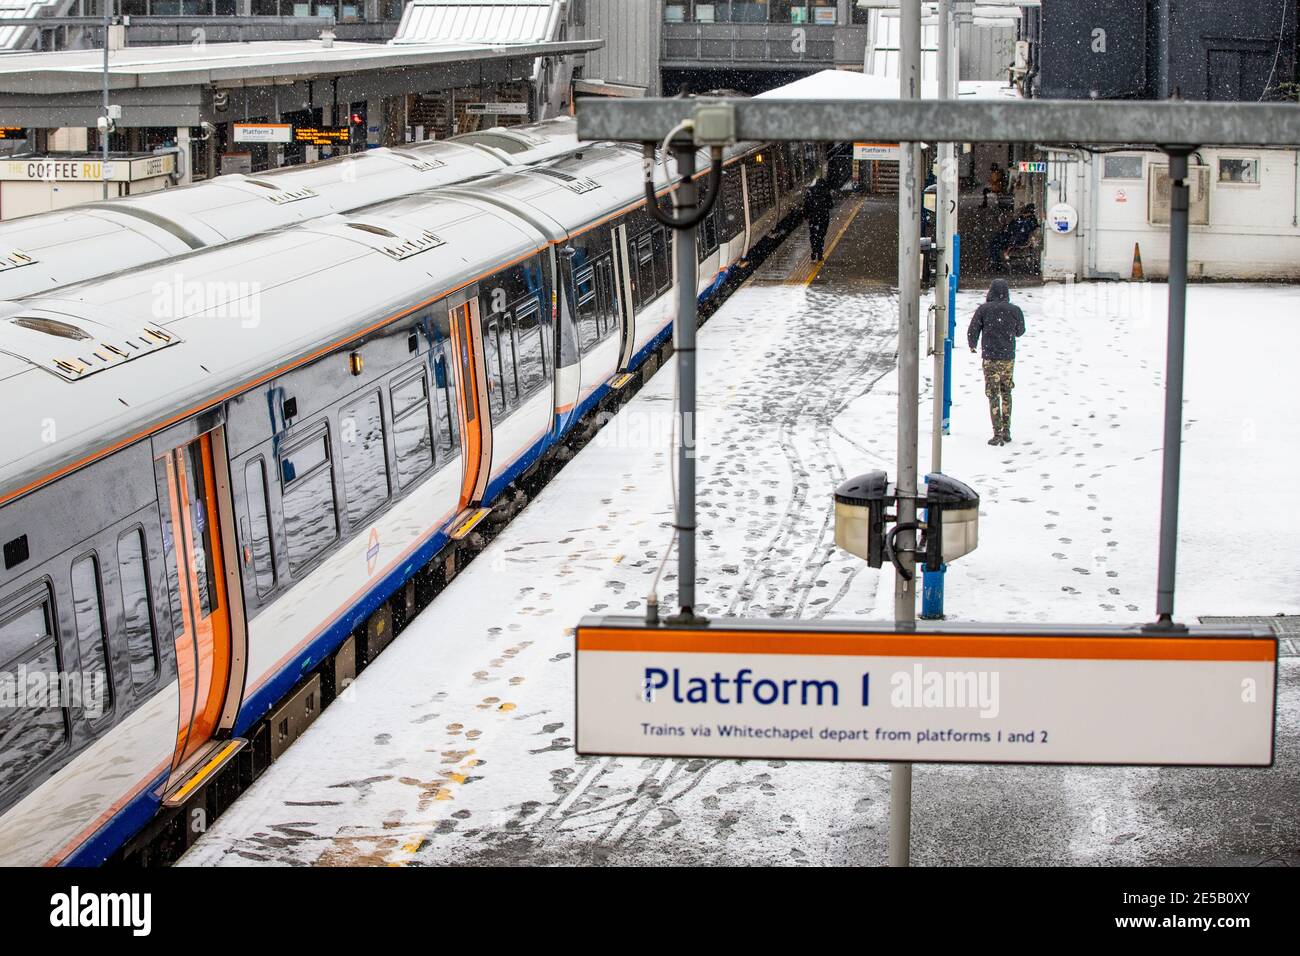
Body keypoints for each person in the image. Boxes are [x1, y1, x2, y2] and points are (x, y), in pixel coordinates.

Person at [968, 278, 1026, 446]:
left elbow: (973, 329)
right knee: (1006, 392)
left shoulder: (983, 309)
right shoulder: (1014, 310)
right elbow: (1020, 331)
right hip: (1008, 357)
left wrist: (972, 345)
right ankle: (1007, 430)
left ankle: (997, 432)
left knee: (993, 394)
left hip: (990, 357)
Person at [988, 203, 1040, 270]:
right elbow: (1012, 228)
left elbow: (1018, 232)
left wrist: (1011, 241)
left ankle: (996, 264)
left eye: (1023, 212)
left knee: (994, 244)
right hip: (1012, 237)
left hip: (1014, 240)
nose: (1022, 214)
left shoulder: (1028, 221)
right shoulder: (1025, 220)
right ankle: (996, 263)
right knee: (995, 241)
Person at [804, 176, 832, 261]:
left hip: (813, 217)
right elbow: (831, 205)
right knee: (821, 235)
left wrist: (807, 215)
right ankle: (820, 254)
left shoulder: (810, 191)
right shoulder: (826, 192)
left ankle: (813, 251)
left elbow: (806, 205)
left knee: (813, 235)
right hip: (823, 217)